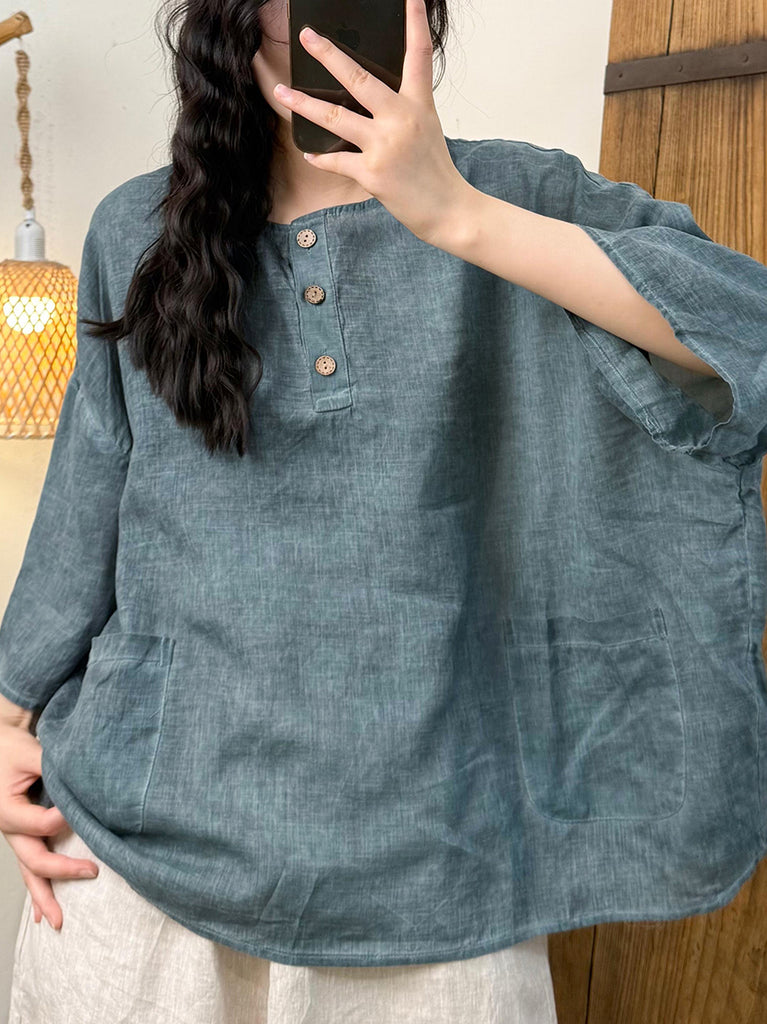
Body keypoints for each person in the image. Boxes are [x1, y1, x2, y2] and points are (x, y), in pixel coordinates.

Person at [3, 0, 767, 1021]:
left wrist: (455, 216)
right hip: (140, 861)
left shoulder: (517, 196)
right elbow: (86, 506)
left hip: (446, 875)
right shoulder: (138, 229)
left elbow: (745, 335)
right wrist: (5, 719)